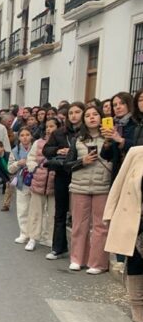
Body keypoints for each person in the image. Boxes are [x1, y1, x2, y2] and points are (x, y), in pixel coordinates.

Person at [64, 104, 112, 274]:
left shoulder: (109, 137)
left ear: (101, 117)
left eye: (95, 114)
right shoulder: (78, 139)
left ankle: (97, 263)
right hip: (79, 186)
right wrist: (82, 161)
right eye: (88, 115)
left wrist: (110, 143)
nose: (91, 117)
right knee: (79, 224)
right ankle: (77, 259)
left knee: (100, 226)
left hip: (103, 186)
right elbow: (66, 165)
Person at [103, 146, 143, 322]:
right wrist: (110, 215)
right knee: (137, 261)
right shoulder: (136, 153)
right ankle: (138, 304)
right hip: (137, 218)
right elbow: (118, 184)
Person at [43, 102, 84, 260]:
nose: (74, 115)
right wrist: (58, 150)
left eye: (77, 112)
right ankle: (58, 247)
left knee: (79, 215)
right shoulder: (59, 133)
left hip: (81, 174)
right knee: (60, 212)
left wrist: (74, 152)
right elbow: (46, 149)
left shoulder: (86, 133)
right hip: (62, 174)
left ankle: (80, 252)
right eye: (71, 113)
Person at [25, 118, 59, 250]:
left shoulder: (62, 143)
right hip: (39, 181)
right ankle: (33, 237)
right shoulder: (38, 143)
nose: (49, 129)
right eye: (47, 126)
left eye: (52, 126)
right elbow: (31, 158)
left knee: (52, 212)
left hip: (54, 182)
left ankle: (48, 237)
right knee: (35, 212)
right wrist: (35, 168)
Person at [100, 91, 137, 182]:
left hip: (134, 172)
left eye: (122, 103)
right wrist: (107, 142)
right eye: (115, 105)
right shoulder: (114, 125)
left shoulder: (137, 123)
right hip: (117, 172)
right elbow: (106, 156)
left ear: (130, 104)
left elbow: (138, 147)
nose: (118, 107)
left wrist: (121, 140)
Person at [8, 127, 35, 245]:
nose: (25, 137)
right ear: (19, 137)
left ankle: (35, 235)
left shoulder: (37, 149)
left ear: (31, 136)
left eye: (27, 134)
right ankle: (24, 234)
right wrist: (18, 163)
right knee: (23, 209)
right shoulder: (15, 151)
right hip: (22, 182)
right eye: (22, 135)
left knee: (36, 211)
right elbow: (9, 168)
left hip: (36, 182)